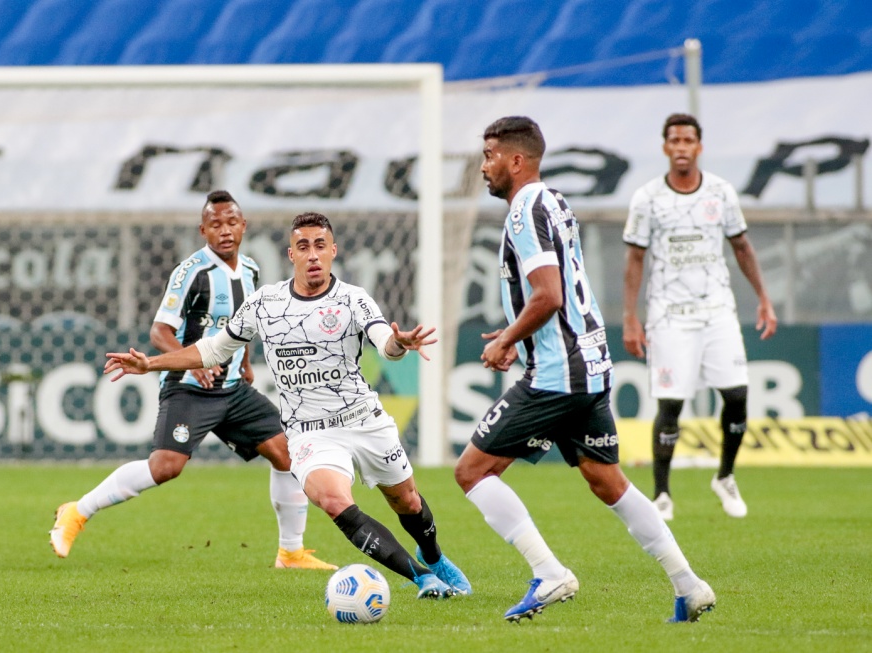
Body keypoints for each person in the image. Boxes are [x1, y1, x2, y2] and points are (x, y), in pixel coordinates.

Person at [104, 211, 470, 600]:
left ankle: (433, 557)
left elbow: (385, 342)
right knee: (332, 501)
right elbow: (213, 349)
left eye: (319, 246)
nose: (312, 255)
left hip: (364, 419)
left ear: (333, 251)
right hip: (310, 432)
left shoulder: (353, 299)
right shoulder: (265, 303)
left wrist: (400, 344)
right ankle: (422, 579)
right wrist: (150, 363)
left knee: (407, 501)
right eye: (302, 247)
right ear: (290, 254)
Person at [454, 116, 714, 623]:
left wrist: (508, 337)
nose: (483, 167)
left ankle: (549, 573)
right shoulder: (551, 199)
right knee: (606, 480)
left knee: (471, 471)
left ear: (515, 160)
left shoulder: (525, 211)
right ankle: (689, 583)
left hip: (558, 374)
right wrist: (518, 339)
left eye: (489, 156)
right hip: (589, 364)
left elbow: (549, 295)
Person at [50, 190, 336, 571]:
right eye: (215, 224)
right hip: (190, 388)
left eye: (232, 222)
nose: (225, 231)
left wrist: (247, 362)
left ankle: (291, 553)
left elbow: (243, 324)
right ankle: (77, 511)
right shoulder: (191, 272)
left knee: (287, 453)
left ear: (243, 226)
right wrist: (192, 364)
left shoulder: (250, 271)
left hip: (233, 389)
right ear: (204, 230)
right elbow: (159, 331)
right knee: (165, 467)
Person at [623, 113, 778, 521]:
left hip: (717, 310)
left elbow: (742, 247)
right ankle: (661, 494)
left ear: (698, 146)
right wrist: (630, 318)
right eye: (673, 140)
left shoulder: (722, 193)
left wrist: (763, 297)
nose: (680, 147)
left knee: (738, 397)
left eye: (688, 140)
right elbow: (635, 258)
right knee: (671, 403)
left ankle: (724, 476)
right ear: (665, 147)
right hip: (669, 314)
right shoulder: (647, 198)